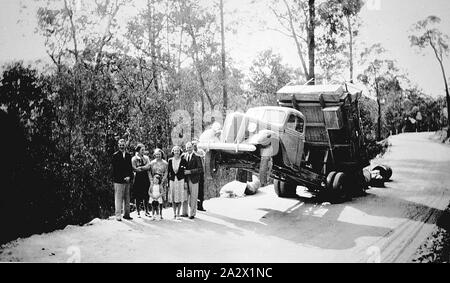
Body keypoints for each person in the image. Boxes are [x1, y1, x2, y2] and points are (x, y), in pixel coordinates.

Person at [112, 139, 133, 221]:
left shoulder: (128, 155)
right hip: (118, 180)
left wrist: (129, 177)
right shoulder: (115, 155)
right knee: (118, 198)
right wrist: (122, 178)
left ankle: (127, 215)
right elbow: (115, 169)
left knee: (127, 198)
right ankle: (118, 215)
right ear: (118, 145)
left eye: (123, 145)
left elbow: (130, 168)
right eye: (120, 145)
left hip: (127, 180)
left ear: (125, 145)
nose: (122, 146)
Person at [182, 142, 204, 219]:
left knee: (193, 196)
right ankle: (184, 212)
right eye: (187, 147)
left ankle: (192, 213)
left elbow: (200, 169)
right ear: (186, 148)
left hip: (194, 179)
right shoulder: (184, 156)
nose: (189, 149)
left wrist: (190, 171)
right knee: (185, 196)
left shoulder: (197, 157)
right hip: (185, 179)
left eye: (190, 147)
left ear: (193, 147)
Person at [168, 145, 188, 220]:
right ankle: (174, 214)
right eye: (175, 150)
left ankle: (178, 213)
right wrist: (168, 183)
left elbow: (185, 172)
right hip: (172, 180)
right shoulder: (170, 160)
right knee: (173, 197)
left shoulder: (183, 160)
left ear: (180, 152)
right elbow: (168, 172)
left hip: (180, 180)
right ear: (173, 151)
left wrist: (185, 182)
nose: (176, 152)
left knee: (179, 197)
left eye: (178, 150)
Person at [131, 143, 151, 218]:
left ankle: (146, 211)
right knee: (138, 195)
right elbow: (134, 168)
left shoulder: (146, 157)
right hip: (137, 178)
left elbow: (149, 166)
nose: (143, 151)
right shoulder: (134, 158)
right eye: (142, 150)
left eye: (144, 150)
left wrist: (141, 168)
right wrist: (142, 168)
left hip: (145, 177)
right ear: (138, 150)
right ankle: (138, 211)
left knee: (146, 194)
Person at [149, 148, 168, 218]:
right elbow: (149, 172)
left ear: (161, 154)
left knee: (160, 198)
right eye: (156, 154)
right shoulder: (152, 163)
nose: (158, 156)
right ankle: (153, 213)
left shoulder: (165, 163)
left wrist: (162, 181)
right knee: (153, 197)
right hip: (154, 182)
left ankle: (160, 213)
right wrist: (151, 180)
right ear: (154, 155)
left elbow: (166, 172)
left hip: (162, 182)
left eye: (159, 154)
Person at [192, 140, 206, 212]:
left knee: (201, 190)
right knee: (193, 190)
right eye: (193, 144)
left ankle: (200, 205)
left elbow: (204, 155)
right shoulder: (190, 153)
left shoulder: (200, 152)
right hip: (194, 174)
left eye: (196, 144)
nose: (195, 146)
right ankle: (193, 206)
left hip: (201, 173)